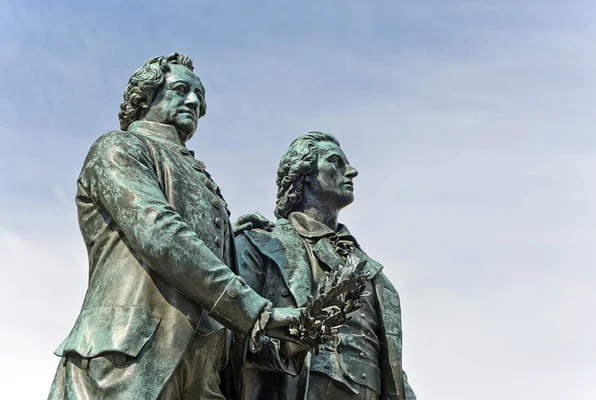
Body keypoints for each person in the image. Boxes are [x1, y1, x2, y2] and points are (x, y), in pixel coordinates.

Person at [48, 53, 300, 400]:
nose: (195, 102)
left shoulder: (202, 182)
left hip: (205, 374)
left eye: (200, 96)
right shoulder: (119, 148)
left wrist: (285, 343)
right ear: (146, 95)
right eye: (182, 89)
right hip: (130, 363)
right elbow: (160, 233)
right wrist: (259, 312)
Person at [234, 132, 417, 400]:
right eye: (336, 162)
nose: (351, 172)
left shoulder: (372, 272)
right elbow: (235, 333)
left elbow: (392, 366)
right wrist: (289, 344)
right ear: (304, 173)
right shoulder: (260, 243)